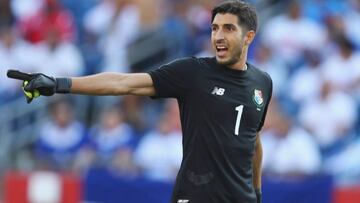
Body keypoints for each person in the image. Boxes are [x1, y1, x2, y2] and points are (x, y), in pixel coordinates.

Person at [8, 1, 272, 203]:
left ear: (249, 36)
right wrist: (59, 83)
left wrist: (257, 192)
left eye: (228, 28)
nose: (218, 36)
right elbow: (123, 83)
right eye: (214, 28)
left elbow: (253, 140)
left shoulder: (262, 83)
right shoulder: (193, 72)